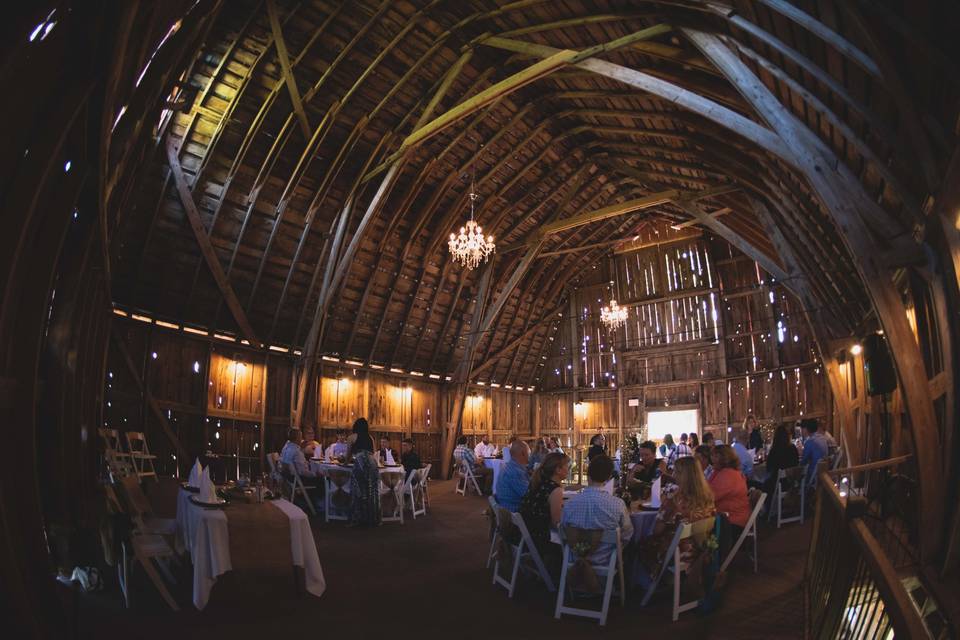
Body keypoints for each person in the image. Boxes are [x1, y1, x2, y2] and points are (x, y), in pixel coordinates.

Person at [639, 456, 716, 575]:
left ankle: (646, 585)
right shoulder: (708, 499)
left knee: (639, 544)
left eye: (676, 471)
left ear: (682, 475)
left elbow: (657, 530)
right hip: (701, 549)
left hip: (676, 552)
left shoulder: (675, 501)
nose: (673, 474)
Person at [561, 455, 633, 564]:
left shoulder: (569, 504)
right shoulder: (617, 504)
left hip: (575, 559)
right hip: (606, 560)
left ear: (588, 475)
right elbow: (627, 534)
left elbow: (564, 529)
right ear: (609, 478)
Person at [519, 452, 569, 552]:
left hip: (523, 536)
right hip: (539, 539)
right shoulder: (555, 490)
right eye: (567, 466)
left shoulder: (537, 481)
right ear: (558, 470)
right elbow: (556, 524)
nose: (568, 469)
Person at [709, 445, 751, 533]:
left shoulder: (728, 475)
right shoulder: (723, 472)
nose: (712, 458)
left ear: (724, 458)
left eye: (715, 456)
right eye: (712, 455)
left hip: (732, 522)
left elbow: (709, 497)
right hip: (727, 517)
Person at [347, 418, 380, 526]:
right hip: (372, 463)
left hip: (360, 462)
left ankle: (356, 519)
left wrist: (345, 462)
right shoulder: (370, 438)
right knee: (372, 491)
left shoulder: (352, 437)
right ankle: (373, 519)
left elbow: (348, 454)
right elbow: (373, 453)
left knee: (358, 490)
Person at [763, 424, 800, 497]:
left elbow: (768, 468)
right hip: (792, 482)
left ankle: (769, 507)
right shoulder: (793, 448)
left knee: (765, 483)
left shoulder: (774, 450)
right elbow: (796, 462)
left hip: (779, 483)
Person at [496, 440, 531, 511]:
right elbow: (529, 495)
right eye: (529, 451)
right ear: (523, 453)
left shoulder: (509, 466)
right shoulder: (516, 472)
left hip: (506, 505)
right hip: (514, 510)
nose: (530, 453)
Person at [799, 418, 830, 482]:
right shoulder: (823, 438)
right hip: (824, 471)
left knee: (798, 473)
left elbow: (803, 462)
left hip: (813, 474)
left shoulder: (810, 442)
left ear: (807, 429)